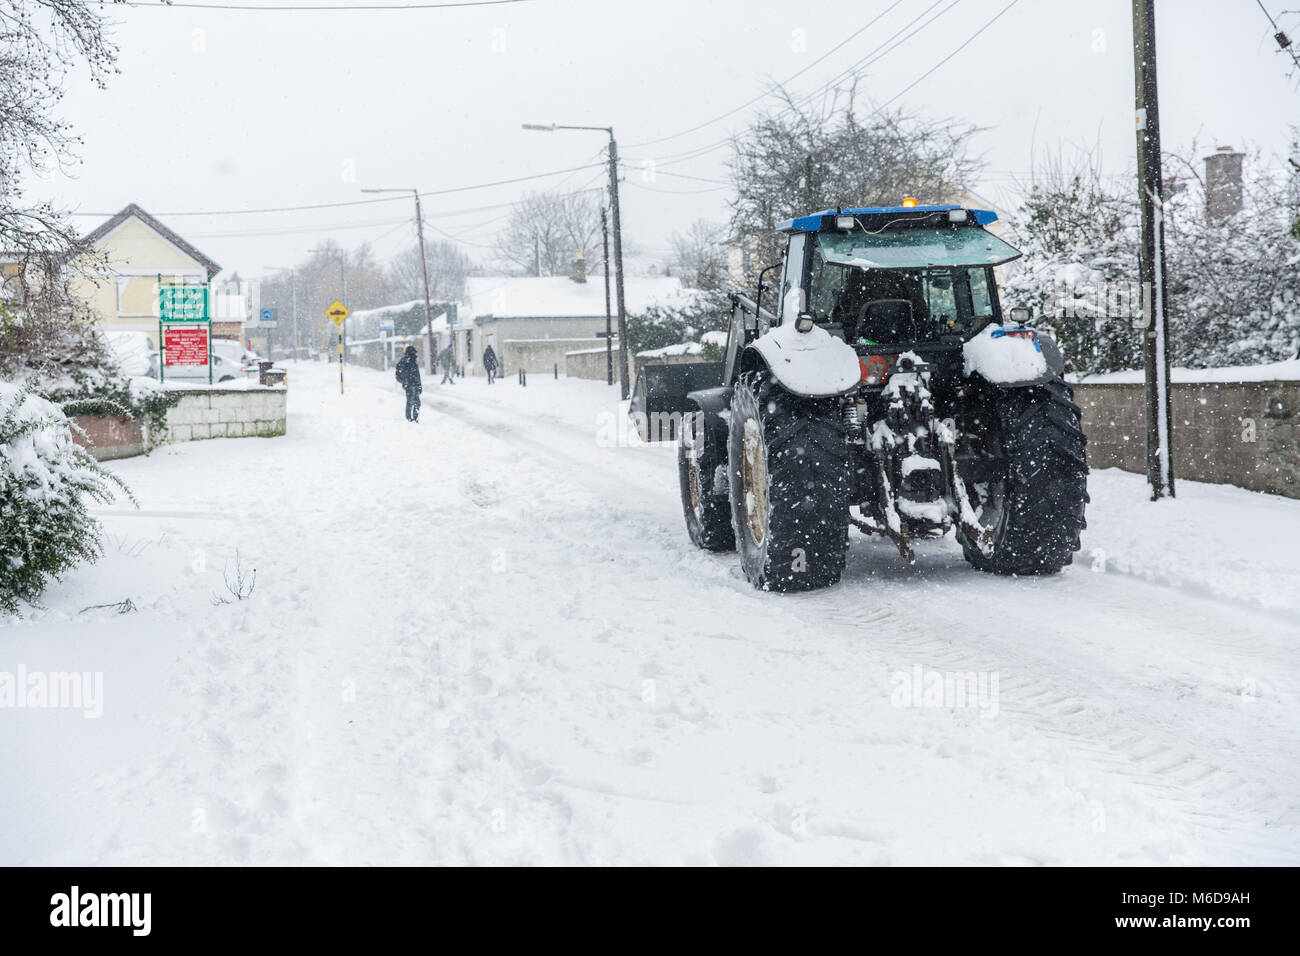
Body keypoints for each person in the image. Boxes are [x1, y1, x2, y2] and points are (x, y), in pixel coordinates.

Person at [395, 345, 422, 421]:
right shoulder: (405, 361)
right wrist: (406, 385)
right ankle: (409, 418)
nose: (414, 354)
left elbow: (417, 375)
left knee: (417, 403)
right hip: (409, 385)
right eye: (413, 352)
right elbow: (404, 374)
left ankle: (415, 418)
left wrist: (419, 386)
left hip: (415, 384)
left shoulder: (413, 361)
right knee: (410, 402)